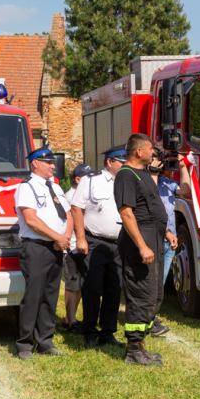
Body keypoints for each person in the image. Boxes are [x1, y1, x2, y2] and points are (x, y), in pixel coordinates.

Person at [14, 145, 74, 360]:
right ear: (35, 164)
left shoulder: (55, 187)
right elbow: (31, 219)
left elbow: (68, 214)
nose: (52, 165)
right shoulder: (26, 187)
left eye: (53, 162)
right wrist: (57, 237)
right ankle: (24, 345)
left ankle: (46, 341)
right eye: (48, 162)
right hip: (37, 247)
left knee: (50, 295)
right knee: (33, 296)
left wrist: (64, 237)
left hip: (57, 247)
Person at [114, 133, 168, 366]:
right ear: (138, 152)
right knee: (141, 294)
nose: (152, 153)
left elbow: (152, 208)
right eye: (150, 149)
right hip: (140, 240)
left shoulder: (143, 173)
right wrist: (142, 245)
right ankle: (133, 350)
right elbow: (126, 213)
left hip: (153, 236)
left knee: (154, 293)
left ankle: (140, 345)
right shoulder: (126, 176)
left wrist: (166, 233)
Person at [72, 144, 127, 349]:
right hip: (94, 241)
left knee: (114, 289)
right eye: (121, 162)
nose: (124, 165)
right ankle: (89, 334)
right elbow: (77, 208)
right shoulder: (91, 180)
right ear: (109, 162)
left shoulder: (126, 180)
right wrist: (80, 239)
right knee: (93, 289)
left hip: (118, 243)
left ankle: (107, 333)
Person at [148, 152, 192, 336]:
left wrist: (182, 167)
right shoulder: (143, 183)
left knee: (159, 283)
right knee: (150, 282)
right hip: (153, 240)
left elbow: (185, 189)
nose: (158, 161)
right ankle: (148, 319)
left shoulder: (166, 183)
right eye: (153, 158)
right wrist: (152, 171)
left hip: (169, 242)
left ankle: (151, 317)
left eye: (159, 158)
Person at [60, 164, 92, 334]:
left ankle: (71, 318)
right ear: (78, 179)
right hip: (71, 248)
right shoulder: (69, 197)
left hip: (82, 246)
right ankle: (70, 321)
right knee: (72, 285)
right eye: (88, 177)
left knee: (79, 285)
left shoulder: (85, 193)